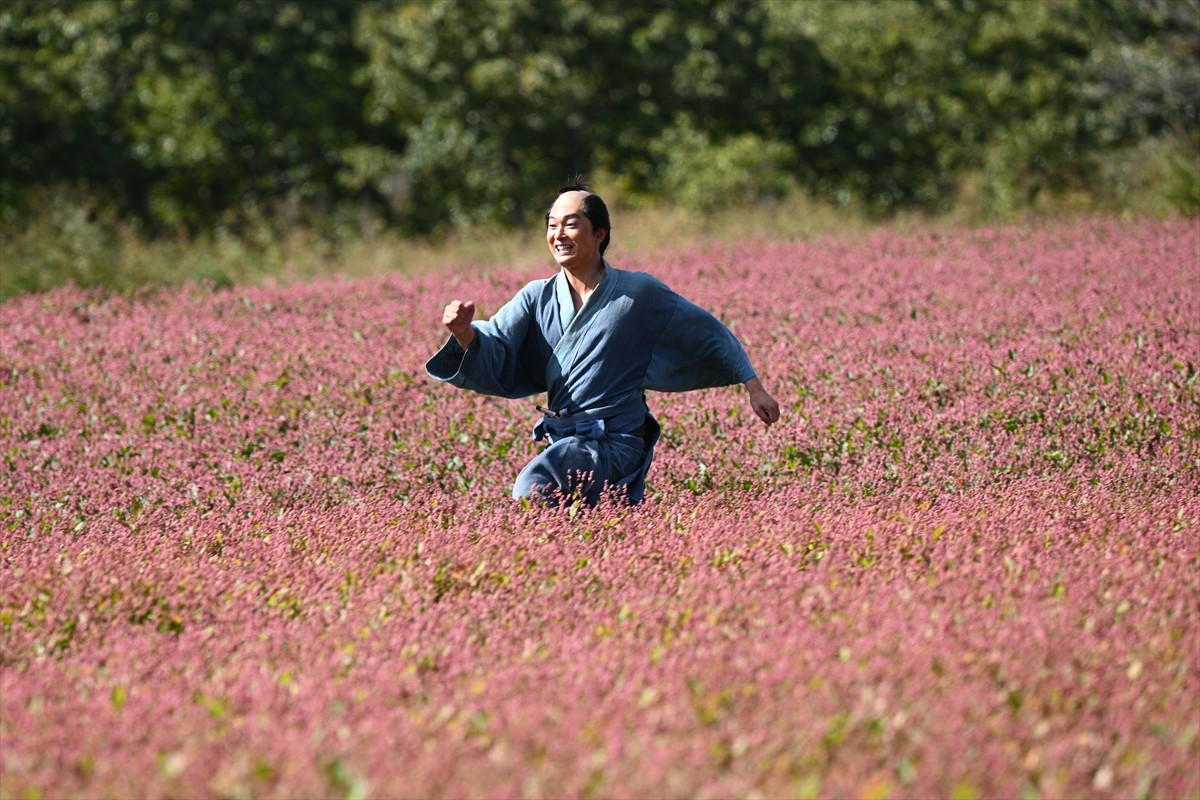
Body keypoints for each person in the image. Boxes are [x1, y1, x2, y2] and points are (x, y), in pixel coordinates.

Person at [426, 181, 780, 506]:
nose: (558, 234)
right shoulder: (536, 297)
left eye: (570, 223)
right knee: (588, 526)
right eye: (551, 225)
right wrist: (464, 332)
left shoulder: (639, 293)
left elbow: (706, 332)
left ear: (600, 233)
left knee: (532, 488)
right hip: (564, 443)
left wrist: (754, 386)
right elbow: (496, 342)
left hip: (618, 442)